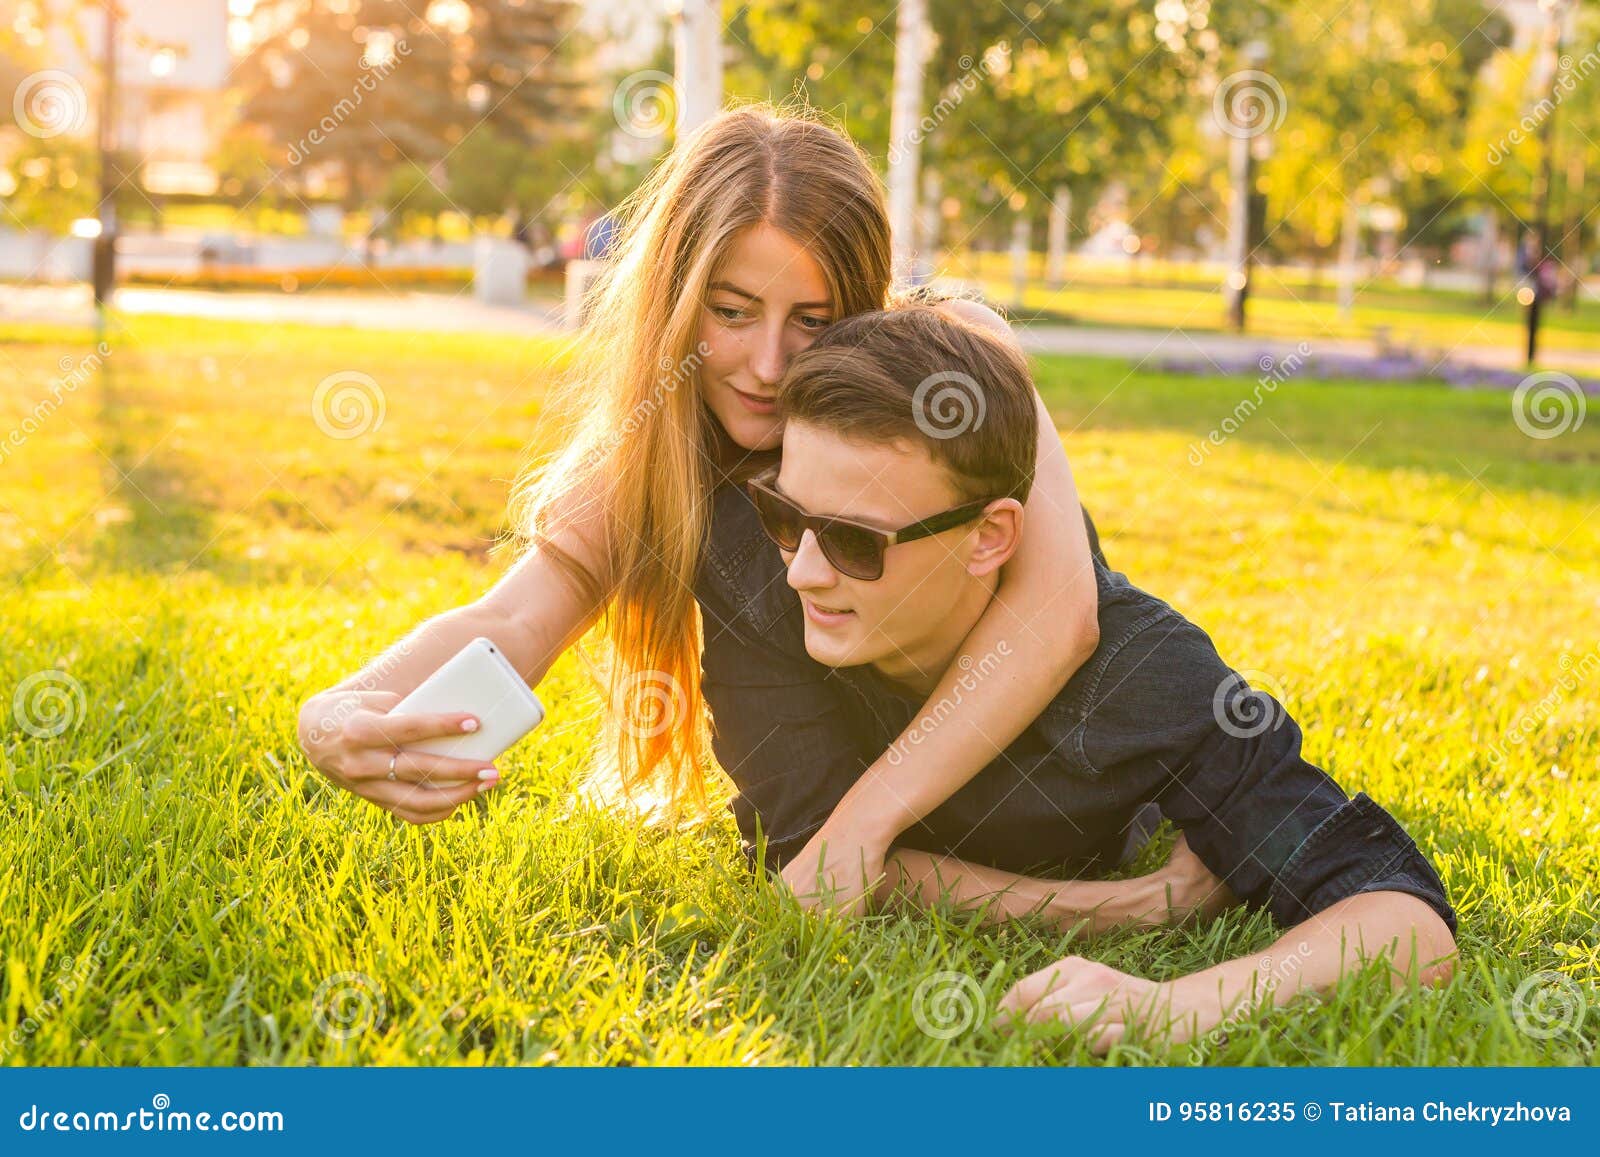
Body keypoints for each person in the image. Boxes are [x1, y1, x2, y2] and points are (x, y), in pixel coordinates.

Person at [296, 103, 1106, 913]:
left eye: (813, 321)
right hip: (823, 817)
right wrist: (330, 715)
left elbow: (1060, 612)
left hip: (1059, 777)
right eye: (731, 312)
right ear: (677, 301)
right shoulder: (657, 449)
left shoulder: (955, 360)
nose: (766, 365)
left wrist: (857, 831)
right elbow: (512, 622)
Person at [698, 303, 1458, 1054]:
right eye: (785, 513)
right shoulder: (755, 583)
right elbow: (808, 853)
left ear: (988, 537)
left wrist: (1181, 1005)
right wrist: (1124, 909)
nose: (802, 569)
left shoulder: (1144, 679)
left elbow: (1404, 919)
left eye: (852, 540)